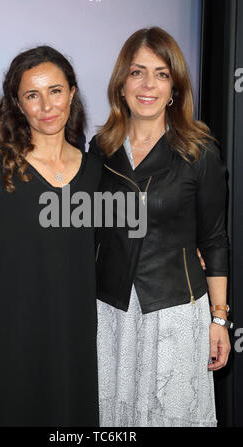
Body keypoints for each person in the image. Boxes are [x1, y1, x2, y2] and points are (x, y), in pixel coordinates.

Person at [0, 46, 101, 426]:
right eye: (32, 95)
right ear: (18, 104)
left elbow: (118, 245)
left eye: (55, 91)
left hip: (67, 343)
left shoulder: (98, 174)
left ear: (72, 93)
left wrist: (185, 250)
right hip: (2, 339)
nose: (46, 105)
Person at [89, 27, 231, 427]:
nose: (148, 84)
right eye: (138, 72)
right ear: (121, 85)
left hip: (174, 313)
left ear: (175, 89)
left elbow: (215, 240)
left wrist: (219, 320)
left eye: (162, 73)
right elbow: (93, 228)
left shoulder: (198, 151)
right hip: (111, 313)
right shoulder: (101, 148)